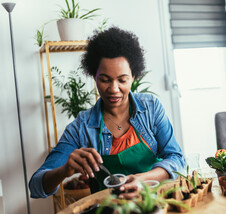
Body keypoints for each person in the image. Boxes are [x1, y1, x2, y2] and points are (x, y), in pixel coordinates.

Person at [29, 27, 185, 199]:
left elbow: (176, 159)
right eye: (104, 80)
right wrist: (64, 170)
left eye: (122, 80)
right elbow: (36, 186)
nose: (113, 89)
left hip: (156, 204)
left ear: (133, 77)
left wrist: (144, 179)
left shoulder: (151, 108)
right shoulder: (82, 126)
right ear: (94, 76)